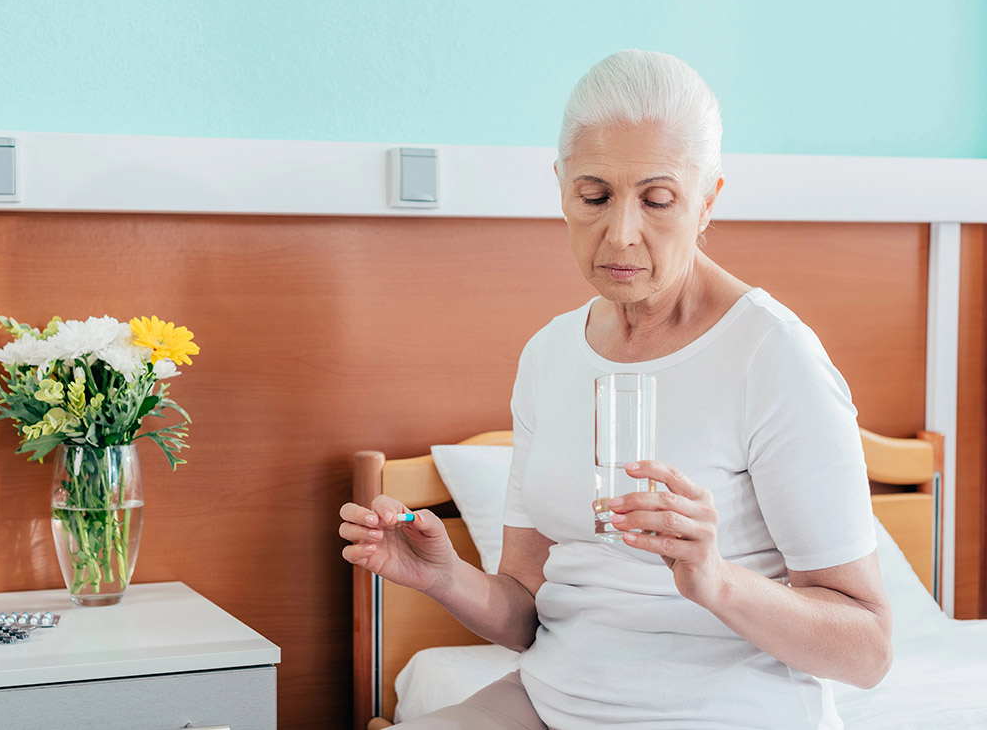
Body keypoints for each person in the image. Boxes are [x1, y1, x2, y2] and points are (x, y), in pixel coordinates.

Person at [339, 50, 892, 729]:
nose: (620, 233)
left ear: (708, 200)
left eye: (658, 200)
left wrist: (715, 580)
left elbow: (868, 651)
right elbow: (525, 613)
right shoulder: (549, 354)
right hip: (549, 703)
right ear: (561, 187)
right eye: (594, 197)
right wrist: (444, 578)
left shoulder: (773, 356)